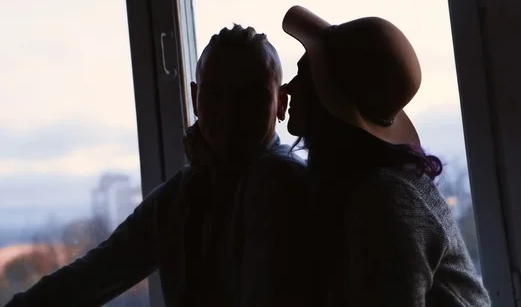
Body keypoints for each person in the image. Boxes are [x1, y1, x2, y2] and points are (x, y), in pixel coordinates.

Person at [5, 24, 312, 307]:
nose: (231, 112)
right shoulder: (186, 192)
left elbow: (97, 272)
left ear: (282, 104)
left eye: (250, 97)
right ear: (194, 98)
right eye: (215, 95)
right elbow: (96, 272)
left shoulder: (276, 183)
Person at [282, 6, 491, 306]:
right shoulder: (364, 187)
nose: (289, 87)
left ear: (327, 96)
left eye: (304, 74)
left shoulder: (386, 199)